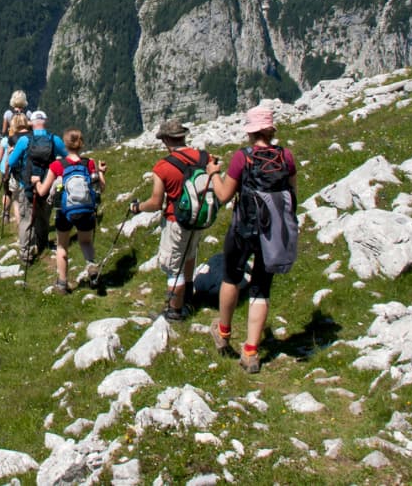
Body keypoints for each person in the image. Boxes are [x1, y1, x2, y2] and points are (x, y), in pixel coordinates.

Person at [209, 106, 298, 374]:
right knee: (261, 287)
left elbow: (224, 195)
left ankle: (223, 332)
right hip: (272, 233)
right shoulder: (286, 156)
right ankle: (251, 351)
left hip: (244, 228)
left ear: (250, 131)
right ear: (271, 130)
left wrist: (213, 173)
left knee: (231, 276)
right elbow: (293, 194)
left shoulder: (242, 158)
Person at [128, 119, 222, 321]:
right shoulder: (205, 157)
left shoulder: (163, 167)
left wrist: (137, 208)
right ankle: (188, 298)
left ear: (166, 140)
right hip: (199, 219)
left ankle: (174, 311)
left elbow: (155, 202)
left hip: (176, 221)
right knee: (189, 255)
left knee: (173, 266)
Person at [37, 129, 105, 294]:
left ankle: (62, 283)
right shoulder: (88, 163)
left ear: (65, 145)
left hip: (64, 211)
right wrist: (101, 172)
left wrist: (36, 182)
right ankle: (90, 265)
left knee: (62, 246)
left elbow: (42, 192)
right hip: (86, 209)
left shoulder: (57, 165)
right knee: (86, 242)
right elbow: (100, 188)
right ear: (81, 144)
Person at [4, 110, 66, 266]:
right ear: (46, 121)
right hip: (46, 185)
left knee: (26, 220)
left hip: (28, 185)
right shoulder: (54, 140)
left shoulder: (24, 140)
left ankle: (25, 254)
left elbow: (11, 162)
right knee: (44, 218)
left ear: (31, 123)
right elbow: (67, 155)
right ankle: (43, 243)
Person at [0, 112, 30, 225]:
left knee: (15, 200)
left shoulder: (11, 139)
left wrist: (6, 172)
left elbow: (9, 160)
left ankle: (19, 225)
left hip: (16, 174)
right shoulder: (31, 136)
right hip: (30, 173)